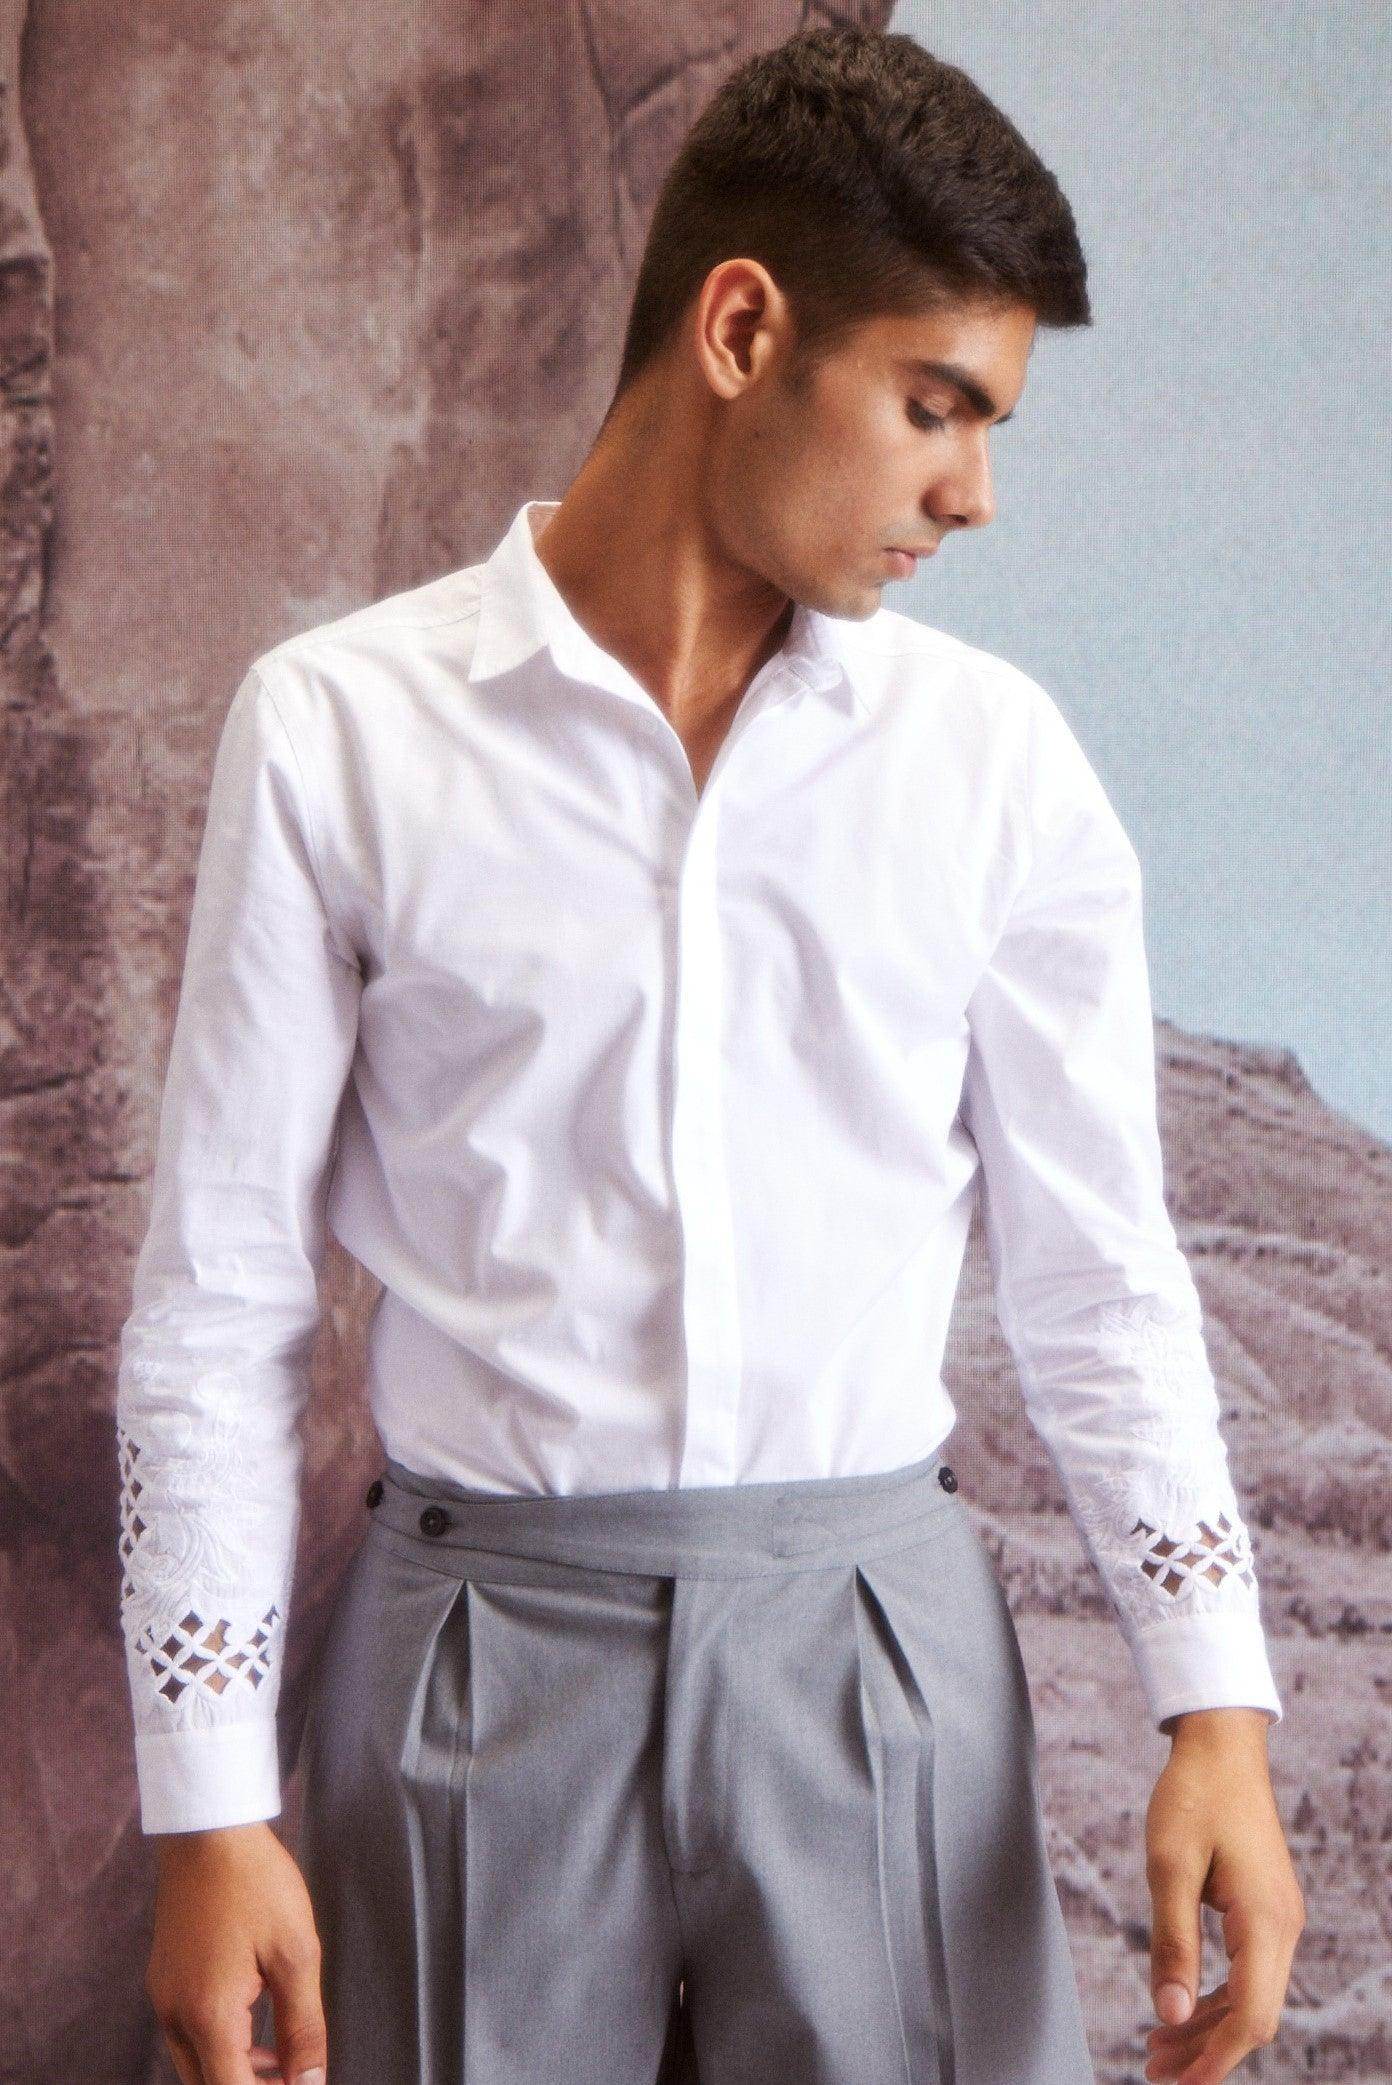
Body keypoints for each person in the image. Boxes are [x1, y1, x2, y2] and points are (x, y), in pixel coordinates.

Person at [117, 24, 1304, 2085]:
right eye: (936, 405)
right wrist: (206, 1803)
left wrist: (1219, 1707)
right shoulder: (337, 731)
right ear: (744, 329)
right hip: (470, 1660)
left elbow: (1102, 1269)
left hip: (876, 1656)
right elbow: (220, 1292)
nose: (975, 493)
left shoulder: (994, 765)